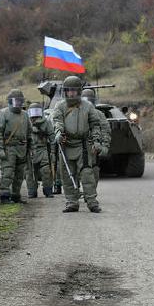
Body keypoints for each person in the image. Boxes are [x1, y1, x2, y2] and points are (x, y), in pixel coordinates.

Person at [51, 76, 103, 213]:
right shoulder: (60, 106)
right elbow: (57, 120)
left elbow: (95, 124)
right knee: (68, 175)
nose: (71, 93)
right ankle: (72, 202)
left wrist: (97, 141)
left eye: (74, 90)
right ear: (65, 91)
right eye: (69, 90)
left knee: (87, 174)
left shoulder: (88, 106)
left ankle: (92, 201)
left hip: (83, 145)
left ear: (79, 91)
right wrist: (58, 132)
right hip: (66, 143)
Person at [0, 89, 32, 204]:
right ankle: (4, 196)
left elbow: (29, 132)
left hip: (22, 148)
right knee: (8, 172)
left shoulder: (25, 115)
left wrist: (30, 147)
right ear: (10, 101)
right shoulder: (3, 113)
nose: (18, 104)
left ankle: (16, 195)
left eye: (20, 101)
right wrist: (0, 148)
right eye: (15, 101)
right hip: (9, 148)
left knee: (20, 174)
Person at [82, 88, 111, 187]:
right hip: (78, 146)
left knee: (93, 169)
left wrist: (104, 146)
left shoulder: (99, 114)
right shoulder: (76, 113)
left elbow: (105, 130)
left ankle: (90, 193)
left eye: (90, 101)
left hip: (92, 146)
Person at [26, 102, 55, 198]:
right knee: (30, 172)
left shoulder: (46, 123)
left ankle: (48, 190)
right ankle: (32, 191)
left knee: (46, 171)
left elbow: (52, 138)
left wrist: (53, 152)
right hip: (30, 150)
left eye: (37, 111)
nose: (35, 114)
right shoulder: (26, 122)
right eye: (33, 112)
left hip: (43, 149)